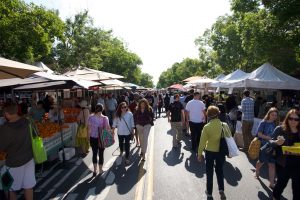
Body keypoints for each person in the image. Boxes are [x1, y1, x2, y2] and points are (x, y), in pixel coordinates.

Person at [0, 103, 36, 200]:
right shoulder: (28, 121)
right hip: (29, 158)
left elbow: (2, 146)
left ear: (7, 114)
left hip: (13, 162)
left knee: (7, 186)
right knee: (28, 186)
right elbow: (35, 135)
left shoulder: (5, 128)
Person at [198, 106, 231, 200]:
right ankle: (221, 190)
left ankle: (209, 193)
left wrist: (199, 154)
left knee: (209, 173)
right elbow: (229, 139)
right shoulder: (224, 125)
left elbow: (202, 142)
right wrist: (229, 153)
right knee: (220, 171)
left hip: (210, 152)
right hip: (221, 152)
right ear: (218, 114)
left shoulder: (207, 127)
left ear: (208, 115)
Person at [270, 109, 300, 200]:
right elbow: (270, 142)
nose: (293, 121)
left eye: (296, 119)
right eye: (291, 118)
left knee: (297, 188)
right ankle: (275, 197)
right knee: (281, 184)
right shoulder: (280, 129)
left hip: (298, 165)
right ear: (287, 118)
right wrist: (277, 142)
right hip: (283, 163)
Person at [254, 107, 279, 189]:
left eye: (275, 115)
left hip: (273, 147)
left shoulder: (276, 124)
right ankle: (257, 171)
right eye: (272, 115)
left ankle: (271, 183)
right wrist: (269, 138)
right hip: (264, 146)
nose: (274, 117)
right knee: (261, 162)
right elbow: (259, 134)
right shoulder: (263, 123)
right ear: (269, 114)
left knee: (272, 165)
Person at [88, 104, 111, 176]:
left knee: (94, 153)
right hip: (102, 138)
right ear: (102, 109)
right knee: (101, 154)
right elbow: (107, 129)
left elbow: (89, 129)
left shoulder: (91, 117)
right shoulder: (105, 118)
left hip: (93, 138)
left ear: (95, 109)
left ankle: (94, 170)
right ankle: (100, 170)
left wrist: (88, 137)